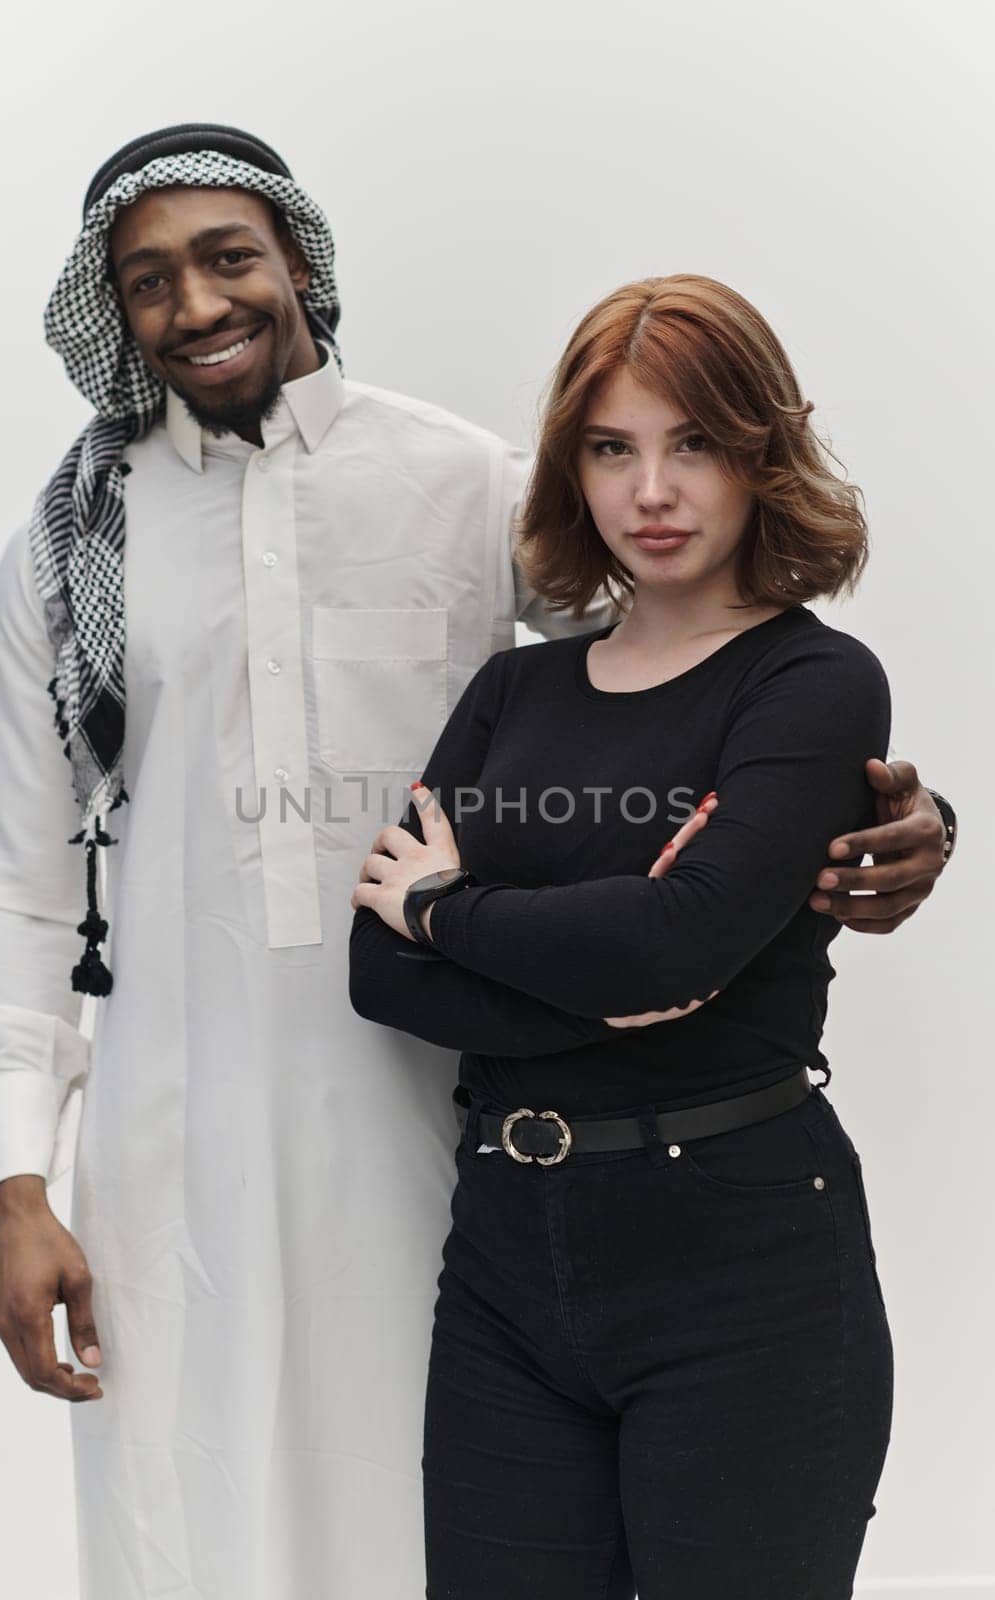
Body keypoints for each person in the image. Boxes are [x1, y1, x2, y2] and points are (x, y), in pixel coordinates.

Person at [0, 116, 950, 1598]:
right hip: (177, 1140)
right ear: (112, 312)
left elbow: (691, 696)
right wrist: (15, 1183)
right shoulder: (63, 550)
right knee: (186, 1522)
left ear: (301, 260)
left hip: (455, 1138)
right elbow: (18, 876)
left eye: (230, 256)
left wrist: (895, 821)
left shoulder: (466, 488)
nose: (198, 305)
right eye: (148, 280)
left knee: (424, 1531)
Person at [348, 273, 952, 1598]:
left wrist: (456, 911)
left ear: (759, 456)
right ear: (573, 471)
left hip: (741, 1261)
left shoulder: (808, 680)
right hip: (506, 1261)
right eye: (612, 449)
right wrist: (617, 970)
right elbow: (379, 971)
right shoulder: (514, 690)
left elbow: (658, 940)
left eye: (694, 444)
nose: (652, 491)